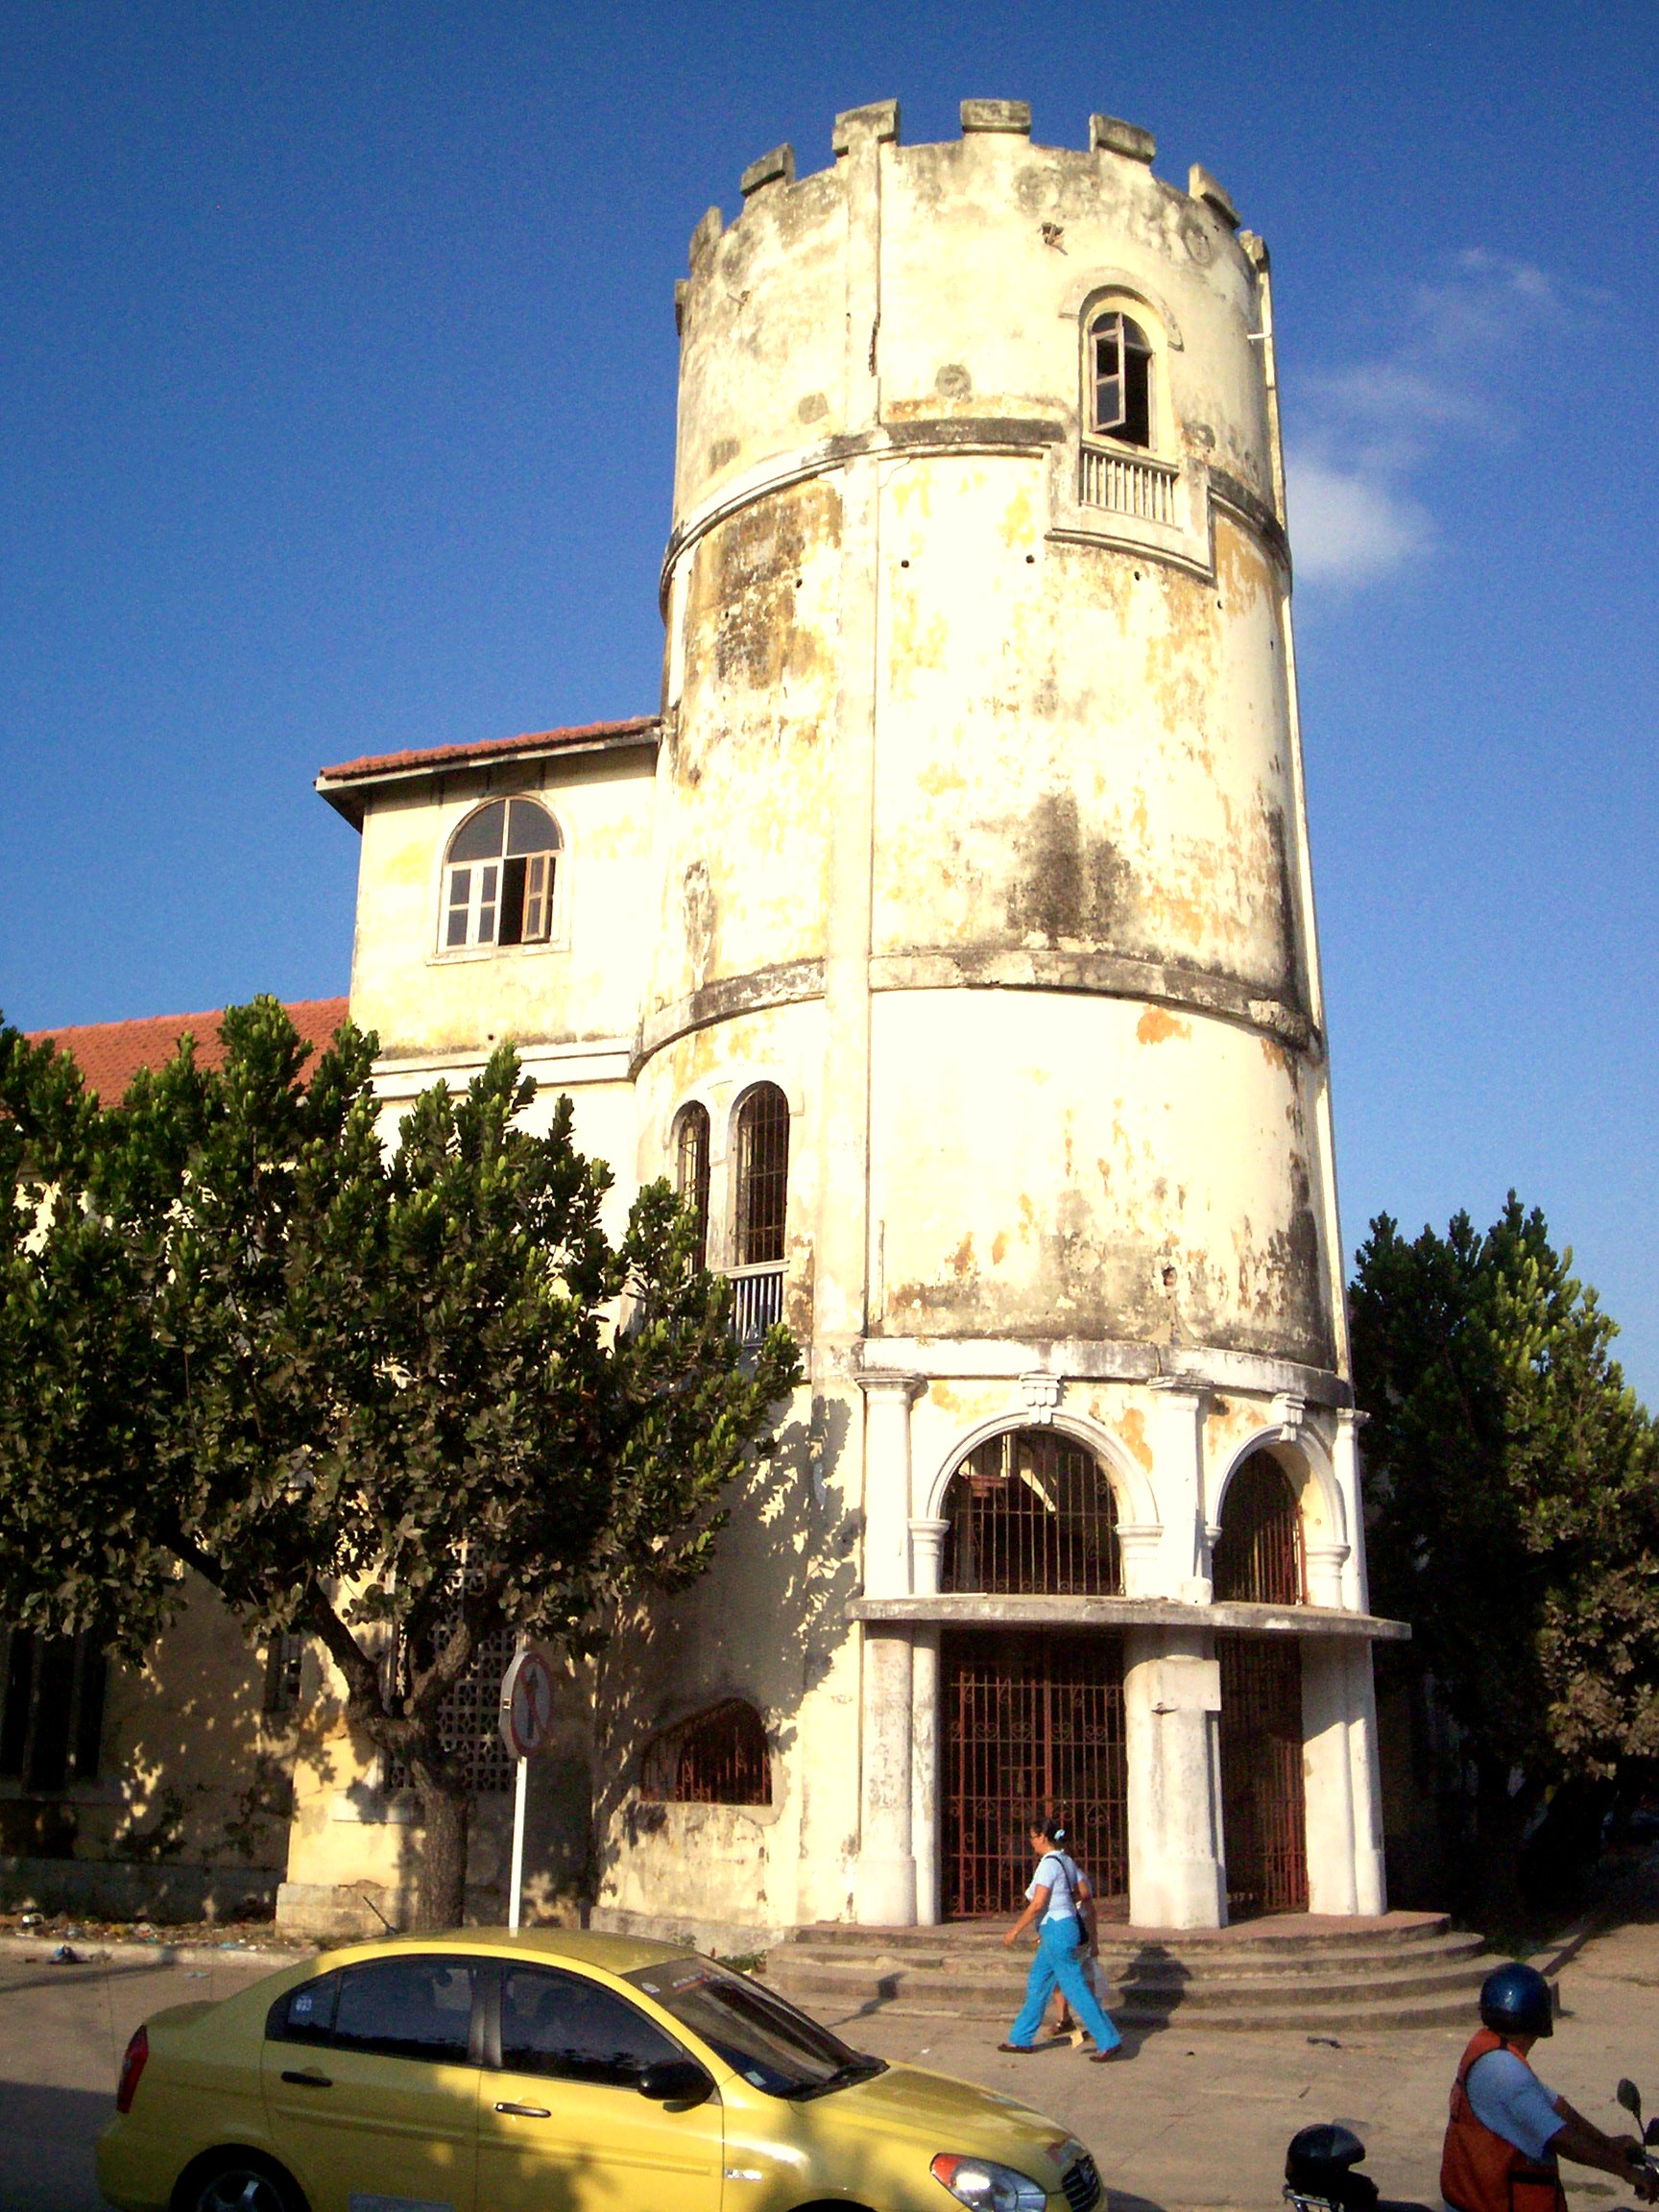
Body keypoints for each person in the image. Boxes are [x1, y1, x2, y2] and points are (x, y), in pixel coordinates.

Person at [1441, 1961, 1656, 2212]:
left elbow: (1557, 2107)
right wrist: (1628, 2173)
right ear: (1537, 2024)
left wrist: (1610, 2144)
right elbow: (1562, 2138)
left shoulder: (1488, 2051)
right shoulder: (1504, 2072)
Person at [998, 1811, 1122, 2063]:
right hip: (1058, 1929)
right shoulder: (1066, 1860)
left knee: (1074, 1988)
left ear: (1043, 1837)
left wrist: (1015, 1930)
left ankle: (1108, 2039)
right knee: (1038, 1983)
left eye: (1033, 1837)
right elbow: (1082, 1892)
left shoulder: (1048, 1864)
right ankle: (1021, 2037)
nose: (1031, 1842)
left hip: (1057, 1930)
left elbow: (1038, 1902)